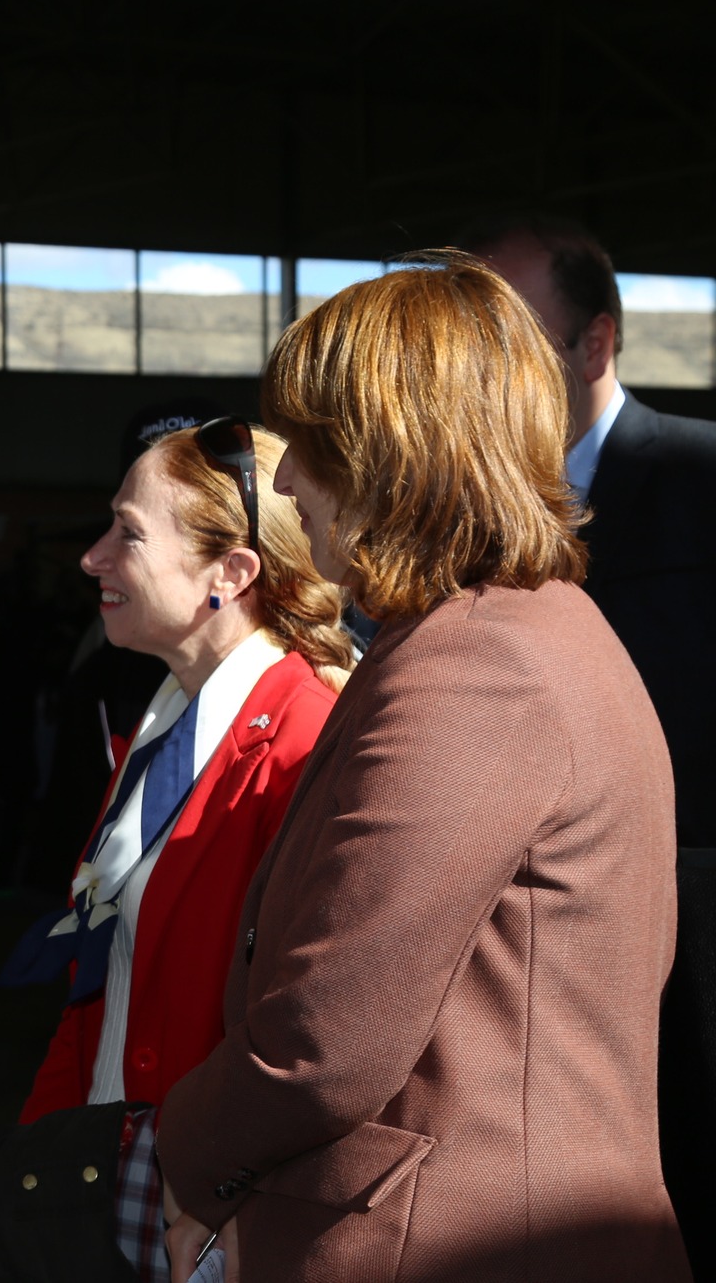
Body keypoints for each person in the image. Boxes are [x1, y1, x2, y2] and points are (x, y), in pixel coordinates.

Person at [157, 253, 689, 1282]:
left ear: (393, 456)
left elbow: (326, 1041)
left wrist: (184, 1163)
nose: (282, 482)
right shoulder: (508, 634)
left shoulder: (478, 667)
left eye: (308, 448)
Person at [4, 420, 348, 1282]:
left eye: (128, 533)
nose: (92, 557)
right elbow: (99, 968)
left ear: (230, 574)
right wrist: (39, 1153)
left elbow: (307, 1029)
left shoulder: (303, 742)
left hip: (202, 1201)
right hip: (116, 1166)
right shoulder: (167, 723)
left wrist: (215, 1183)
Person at [461, 215, 716, 1273]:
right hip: (517, 926)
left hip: (692, 913)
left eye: (512, 337)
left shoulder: (699, 477)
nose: (484, 371)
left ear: (594, 344)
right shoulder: (470, 506)